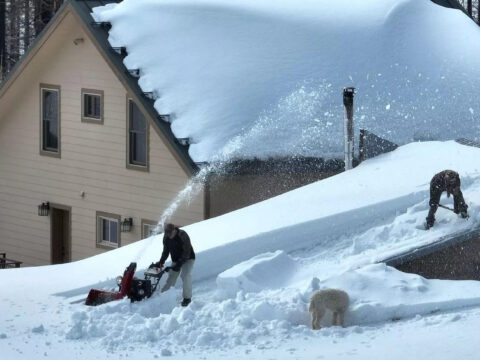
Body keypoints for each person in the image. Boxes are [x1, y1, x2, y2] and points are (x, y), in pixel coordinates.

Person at [157, 223, 195, 306]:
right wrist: (161, 262)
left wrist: (179, 264)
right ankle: (164, 296)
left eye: (170, 233)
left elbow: (186, 252)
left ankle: (187, 298)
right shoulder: (166, 237)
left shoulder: (182, 235)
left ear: (174, 230)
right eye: (167, 234)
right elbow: (165, 251)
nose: (169, 236)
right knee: (172, 276)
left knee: (185, 275)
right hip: (176, 259)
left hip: (188, 258)